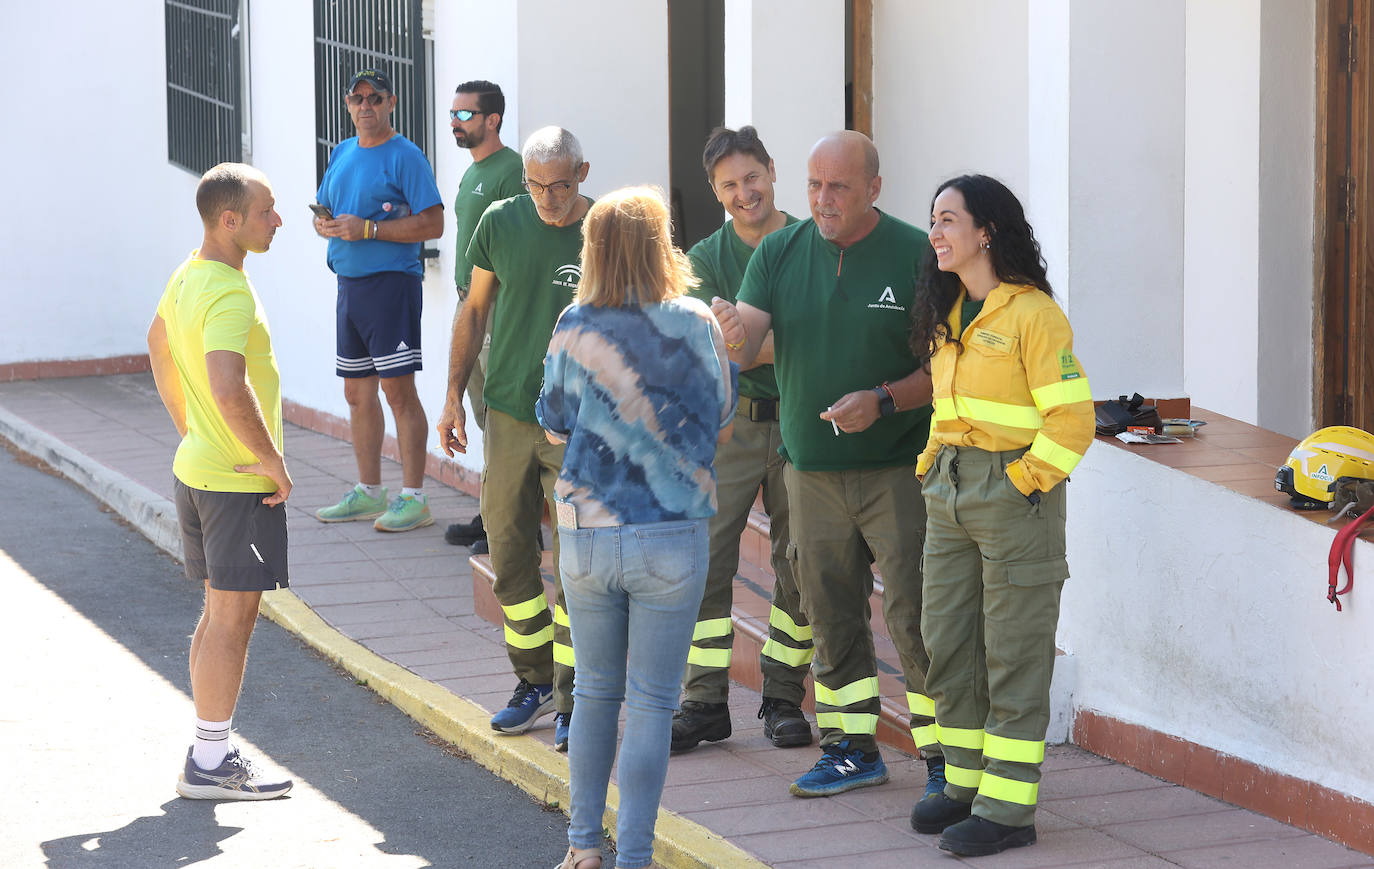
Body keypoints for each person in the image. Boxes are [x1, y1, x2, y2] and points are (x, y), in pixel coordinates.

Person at [711, 131, 945, 798]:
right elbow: (750, 340)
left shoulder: (916, 254)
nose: (822, 199)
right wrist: (729, 328)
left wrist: (883, 399)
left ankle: (943, 757)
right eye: (814, 185)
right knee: (831, 613)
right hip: (808, 470)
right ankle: (850, 747)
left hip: (898, 468)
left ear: (874, 187)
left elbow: (945, 368)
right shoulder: (780, 251)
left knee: (915, 614)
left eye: (837, 186)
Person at [536, 186, 736, 869]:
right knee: (653, 702)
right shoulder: (698, 320)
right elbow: (724, 411)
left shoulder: (574, 321)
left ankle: (583, 846)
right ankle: (636, 857)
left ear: (593, 249)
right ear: (663, 245)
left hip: (588, 529)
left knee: (595, 691)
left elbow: (553, 417)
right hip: (673, 528)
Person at [908, 175, 1093, 857]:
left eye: (948, 219)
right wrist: (931, 461)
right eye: (933, 220)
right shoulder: (951, 310)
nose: (936, 233)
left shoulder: (1033, 314)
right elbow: (946, 407)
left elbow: (1073, 420)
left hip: (1014, 496)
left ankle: (1009, 808)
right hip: (950, 490)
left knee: (1012, 652)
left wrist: (1022, 482)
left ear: (986, 230)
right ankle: (962, 782)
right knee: (948, 641)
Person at [436, 127, 590, 750]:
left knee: (580, 561)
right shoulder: (501, 221)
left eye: (558, 184)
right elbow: (474, 310)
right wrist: (451, 393)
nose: (547, 198)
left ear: (582, 172)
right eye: (535, 185)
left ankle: (574, 697)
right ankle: (532, 682)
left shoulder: (605, 229)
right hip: (506, 414)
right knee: (508, 553)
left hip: (580, 425)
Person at [147, 162, 293, 800]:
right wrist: (272, 461)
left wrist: (190, 427)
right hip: (235, 484)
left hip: (199, 471)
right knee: (232, 622)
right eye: (267, 211)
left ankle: (212, 748)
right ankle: (210, 763)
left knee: (216, 616)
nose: (278, 221)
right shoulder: (230, 293)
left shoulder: (189, 275)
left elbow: (156, 344)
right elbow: (229, 385)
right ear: (229, 220)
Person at [672, 126, 813, 752]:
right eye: (728, 184)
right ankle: (704, 701)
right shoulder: (703, 258)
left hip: (803, 421)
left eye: (751, 177)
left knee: (801, 562)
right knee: (705, 561)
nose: (743, 193)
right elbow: (713, 343)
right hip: (728, 425)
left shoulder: (812, 243)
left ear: (773, 171)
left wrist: (748, 339)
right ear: (714, 191)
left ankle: (783, 697)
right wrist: (773, 340)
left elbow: (752, 341)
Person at [313, 67, 444, 533]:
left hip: (391, 286)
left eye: (375, 97)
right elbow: (325, 208)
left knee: (397, 392)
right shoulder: (343, 152)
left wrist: (369, 229)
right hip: (348, 286)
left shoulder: (406, 156)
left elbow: (433, 224)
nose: (365, 106)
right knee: (356, 392)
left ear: (391, 103)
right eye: (357, 98)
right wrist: (325, 225)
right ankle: (369, 492)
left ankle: (415, 497)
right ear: (347, 105)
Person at [443, 79, 524, 553]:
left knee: (499, 414)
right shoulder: (475, 170)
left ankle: (514, 526)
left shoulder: (511, 170)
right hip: (468, 303)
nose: (455, 122)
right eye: (453, 114)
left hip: (494, 307)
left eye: (466, 114)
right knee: (477, 409)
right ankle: (493, 513)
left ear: (492, 120)